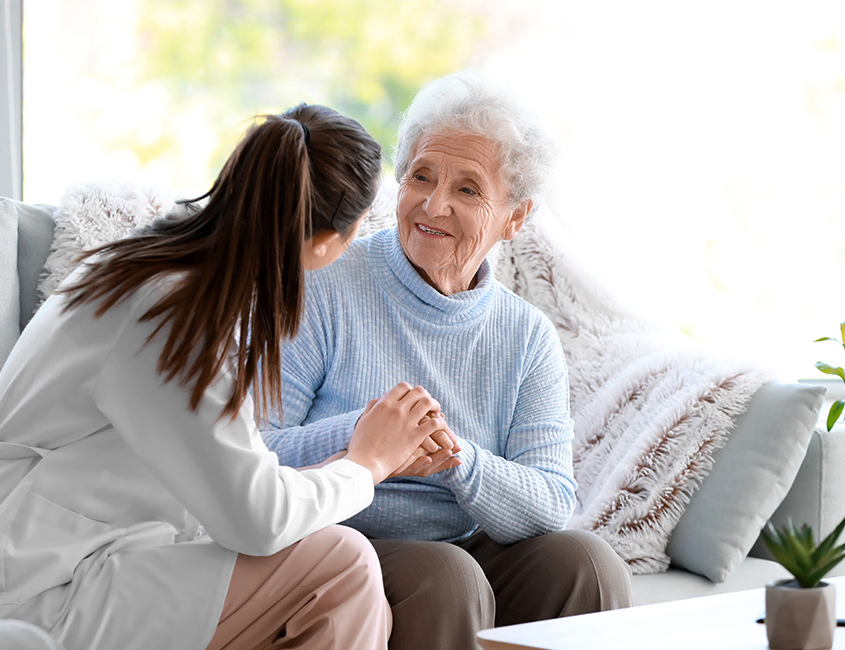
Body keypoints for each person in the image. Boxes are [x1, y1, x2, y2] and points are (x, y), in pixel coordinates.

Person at [0, 103, 455, 650]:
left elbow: (230, 479)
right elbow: (256, 520)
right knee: (342, 567)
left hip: (63, 555)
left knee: (340, 573)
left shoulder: (165, 266)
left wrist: (343, 466)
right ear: (326, 242)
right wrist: (365, 464)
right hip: (35, 590)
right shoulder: (169, 311)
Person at [261, 73, 633, 649]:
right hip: (339, 542)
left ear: (515, 216)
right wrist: (370, 437)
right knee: (445, 577)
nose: (434, 205)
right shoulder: (325, 282)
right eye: (422, 177)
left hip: (462, 540)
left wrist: (456, 459)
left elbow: (552, 501)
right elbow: (255, 449)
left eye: (467, 190)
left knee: (586, 562)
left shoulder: (526, 334)